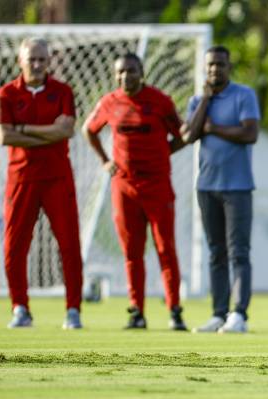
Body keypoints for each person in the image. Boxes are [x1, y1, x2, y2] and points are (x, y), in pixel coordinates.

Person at [82, 53, 188, 331]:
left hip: (157, 185)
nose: (125, 76)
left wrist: (164, 152)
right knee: (132, 251)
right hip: (124, 186)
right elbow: (88, 130)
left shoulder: (160, 101)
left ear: (142, 73)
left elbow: (182, 134)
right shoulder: (109, 102)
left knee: (166, 248)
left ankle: (175, 310)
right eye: (120, 72)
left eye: (130, 71)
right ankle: (136, 312)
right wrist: (105, 160)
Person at [0, 37, 83, 329]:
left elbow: (66, 131)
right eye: (31, 59)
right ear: (19, 61)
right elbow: (4, 136)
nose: (37, 64)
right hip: (22, 178)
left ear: (49, 62)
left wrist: (24, 130)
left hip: (58, 177)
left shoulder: (63, 91)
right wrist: (47, 132)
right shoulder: (6, 94)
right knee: (14, 247)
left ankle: (73, 310)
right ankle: (20, 307)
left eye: (42, 59)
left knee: (69, 245)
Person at [181, 45, 260, 333]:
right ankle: (218, 312)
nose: (215, 69)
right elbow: (189, 134)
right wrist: (205, 100)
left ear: (229, 66)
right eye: (210, 65)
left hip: (237, 187)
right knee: (216, 252)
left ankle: (239, 314)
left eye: (220, 65)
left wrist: (213, 129)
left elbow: (249, 133)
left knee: (238, 251)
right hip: (206, 186)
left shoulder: (244, 95)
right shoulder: (197, 101)